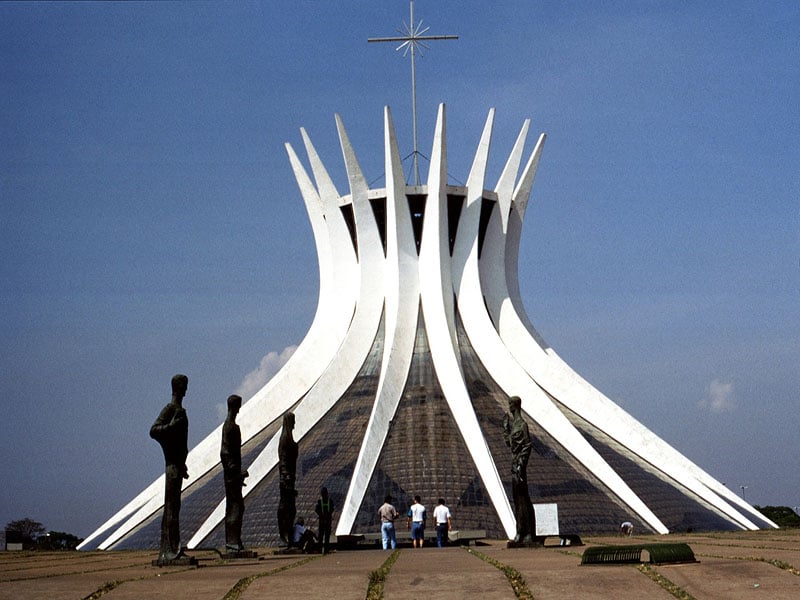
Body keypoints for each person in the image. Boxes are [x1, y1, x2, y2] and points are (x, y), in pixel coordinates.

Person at [149, 374, 190, 562]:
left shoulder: (180, 410)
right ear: (178, 388)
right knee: (171, 507)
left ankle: (172, 547)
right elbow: (154, 430)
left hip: (178, 465)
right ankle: (169, 550)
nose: (186, 390)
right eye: (184, 386)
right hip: (171, 465)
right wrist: (172, 427)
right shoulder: (171, 409)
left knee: (175, 506)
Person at [503, 395, 535, 545]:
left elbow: (527, 445)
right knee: (517, 501)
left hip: (519, 467)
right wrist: (505, 428)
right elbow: (510, 443)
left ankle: (528, 533)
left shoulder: (522, 425)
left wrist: (522, 464)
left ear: (515, 405)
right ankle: (520, 533)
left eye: (510, 404)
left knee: (523, 500)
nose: (508, 406)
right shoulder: (514, 425)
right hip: (514, 466)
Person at [220, 394, 249, 552]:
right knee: (235, 506)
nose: (239, 409)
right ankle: (232, 542)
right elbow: (224, 452)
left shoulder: (232, 426)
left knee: (237, 506)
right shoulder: (229, 427)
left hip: (234, 473)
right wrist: (235, 472)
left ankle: (235, 540)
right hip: (232, 475)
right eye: (238, 406)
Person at [277, 412, 298, 545]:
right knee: (285, 507)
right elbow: (283, 459)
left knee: (291, 508)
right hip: (286, 479)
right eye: (293, 421)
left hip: (290, 477)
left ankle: (288, 533)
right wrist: (286, 476)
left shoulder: (289, 437)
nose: (295, 424)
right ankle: (284, 533)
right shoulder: (285, 438)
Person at [315, 487, 334, 554]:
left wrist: (321, 515)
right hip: (328, 521)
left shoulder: (320, 502)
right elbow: (332, 509)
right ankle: (326, 549)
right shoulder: (330, 501)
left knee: (321, 536)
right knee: (326, 536)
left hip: (322, 521)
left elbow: (317, 510)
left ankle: (319, 549)